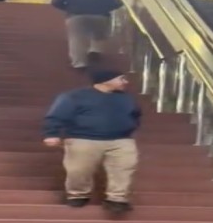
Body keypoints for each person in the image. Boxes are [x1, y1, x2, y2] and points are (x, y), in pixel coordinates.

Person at [43, 69, 141, 214]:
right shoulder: (74, 97)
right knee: (79, 170)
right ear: (106, 80)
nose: (125, 82)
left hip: (121, 140)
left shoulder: (127, 98)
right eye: (121, 79)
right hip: (83, 139)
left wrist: (129, 127)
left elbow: (136, 115)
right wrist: (52, 134)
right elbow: (56, 116)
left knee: (124, 169)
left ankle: (117, 198)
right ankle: (77, 195)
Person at [51, 0, 123, 70]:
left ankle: (79, 63)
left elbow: (55, 2)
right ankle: (95, 50)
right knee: (99, 35)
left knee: (76, 38)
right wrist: (106, 8)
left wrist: (67, 8)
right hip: (101, 16)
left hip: (76, 16)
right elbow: (118, 3)